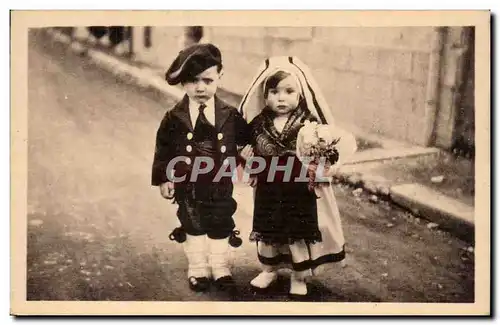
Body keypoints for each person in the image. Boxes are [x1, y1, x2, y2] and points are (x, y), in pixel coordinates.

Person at [238, 56, 357, 298]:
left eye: (289, 91)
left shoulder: (310, 125)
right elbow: (247, 149)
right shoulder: (259, 124)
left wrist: (321, 162)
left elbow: (325, 151)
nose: (281, 97)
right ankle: (269, 270)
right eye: (274, 91)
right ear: (265, 95)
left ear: (300, 95)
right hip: (269, 187)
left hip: (298, 189)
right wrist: (246, 156)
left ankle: (298, 275)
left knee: (297, 232)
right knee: (268, 230)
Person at [151, 43, 251, 294]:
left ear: (220, 76)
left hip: (220, 181)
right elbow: (163, 149)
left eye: (207, 80)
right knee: (192, 222)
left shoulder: (229, 114)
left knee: (220, 221)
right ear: (183, 82)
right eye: (192, 80)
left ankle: (219, 267)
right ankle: (197, 267)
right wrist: (164, 178)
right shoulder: (174, 117)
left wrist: (245, 154)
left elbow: (247, 138)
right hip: (188, 183)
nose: (200, 87)